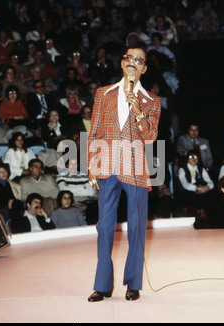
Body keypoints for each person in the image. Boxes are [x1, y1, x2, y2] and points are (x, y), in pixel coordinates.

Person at [87, 44, 161, 302]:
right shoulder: (103, 93)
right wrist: (91, 164)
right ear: (122, 63)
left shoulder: (152, 101)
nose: (133, 63)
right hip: (107, 166)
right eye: (130, 58)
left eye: (139, 60)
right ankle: (103, 285)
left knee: (137, 228)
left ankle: (133, 283)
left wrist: (138, 110)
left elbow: (151, 136)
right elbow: (94, 130)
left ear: (144, 68)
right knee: (105, 227)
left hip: (136, 168)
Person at [177, 149, 214, 219]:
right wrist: (197, 188)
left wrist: (207, 188)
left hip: (200, 191)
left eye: (196, 157)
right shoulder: (182, 169)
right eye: (191, 157)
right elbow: (185, 184)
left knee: (204, 189)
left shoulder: (201, 169)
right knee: (194, 190)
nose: (194, 159)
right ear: (187, 159)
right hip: (187, 191)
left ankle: (201, 211)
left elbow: (210, 182)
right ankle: (197, 211)